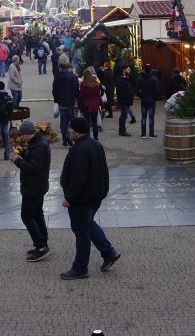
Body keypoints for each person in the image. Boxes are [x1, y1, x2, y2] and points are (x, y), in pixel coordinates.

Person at [59, 117, 120, 280]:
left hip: (82, 198)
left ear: (77, 131)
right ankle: (108, 253)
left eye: (70, 129)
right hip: (95, 195)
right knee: (87, 225)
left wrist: (69, 198)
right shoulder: (95, 144)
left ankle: (80, 268)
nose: (68, 131)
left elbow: (79, 178)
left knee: (81, 232)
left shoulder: (79, 150)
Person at [10, 120, 52, 262]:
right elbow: (32, 156)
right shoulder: (37, 143)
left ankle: (40, 247)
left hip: (33, 187)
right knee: (37, 214)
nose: (21, 137)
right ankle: (43, 243)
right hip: (37, 186)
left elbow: (34, 168)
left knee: (27, 217)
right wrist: (23, 151)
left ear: (29, 134)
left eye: (23, 135)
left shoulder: (39, 147)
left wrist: (18, 161)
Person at [52, 63, 80, 146]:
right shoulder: (72, 77)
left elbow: (54, 90)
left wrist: (56, 100)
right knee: (71, 120)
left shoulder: (57, 78)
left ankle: (64, 138)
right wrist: (75, 98)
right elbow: (76, 89)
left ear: (60, 68)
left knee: (63, 120)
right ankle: (70, 135)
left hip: (61, 102)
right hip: (70, 102)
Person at [78, 68, 103, 140]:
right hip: (94, 104)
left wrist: (79, 103)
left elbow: (81, 95)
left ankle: (87, 137)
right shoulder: (95, 84)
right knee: (94, 122)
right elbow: (98, 96)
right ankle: (96, 137)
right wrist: (102, 106)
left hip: (86, 105)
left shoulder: (83, 84)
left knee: (87, 122)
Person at [137, 64, 160, 139]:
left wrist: (140, 96)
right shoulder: (154, 79)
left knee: (143, 117)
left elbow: (137, 90)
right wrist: (155, 97)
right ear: (151, 70)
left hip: (143, 99)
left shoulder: (140, 79)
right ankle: (151, 133)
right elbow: (157, 90)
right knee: (151, 117)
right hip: (151, 100)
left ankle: (143, 134)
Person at [115, 65, 136, 137]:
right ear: (124, 70)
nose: (129, 71)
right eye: (128, 69)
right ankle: (122, 130)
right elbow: (121, 91)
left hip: (127, 101)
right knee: (123, 116)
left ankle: (122, 130)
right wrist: (126, 97)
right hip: (123, 101)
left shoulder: (127, 78)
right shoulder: (120, 80)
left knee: (124, 115)